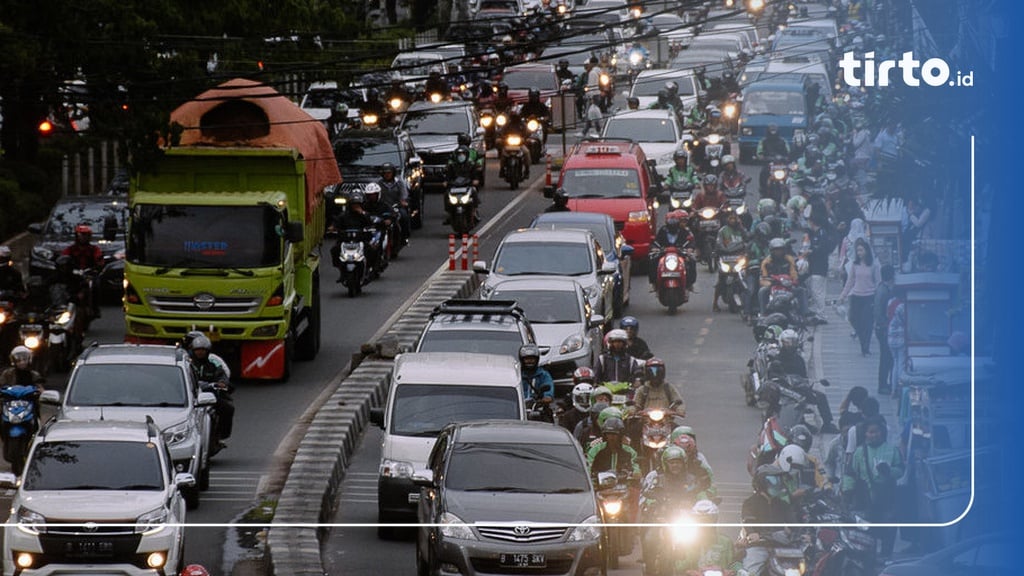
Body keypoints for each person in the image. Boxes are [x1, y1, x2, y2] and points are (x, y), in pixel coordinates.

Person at [842, 416, 904, 559]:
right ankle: (869, 558)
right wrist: (846, 493)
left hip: (888, 498)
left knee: (888, 528)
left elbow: (900, 470)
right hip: (866, 499)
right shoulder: (859, 452)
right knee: (868, 530)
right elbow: (850, 474)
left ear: (882, 433)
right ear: (865, 434)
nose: (874, 435)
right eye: (871, 432)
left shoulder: (892, 450)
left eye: (876, 432)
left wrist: (889, 472)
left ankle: (886, 556)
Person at [775, 329, 839, 433]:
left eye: (793, 342)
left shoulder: (798, 359)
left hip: (799, 388)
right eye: (788, 342)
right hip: (784, 390)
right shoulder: (777, 360)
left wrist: (807, 385)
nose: (791, 345)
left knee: (820, 396)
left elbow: (803, 377)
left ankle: (827, 424)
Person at [188, 335, 234, 447]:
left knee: (228, 408)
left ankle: (221, 436)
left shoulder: (214, 364)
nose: (200, 352)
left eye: (203, 350)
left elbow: (223, 377)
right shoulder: (188, 364)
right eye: (197, 350)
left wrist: (223, 384)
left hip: (210, 396)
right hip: (191, 396)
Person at [839, 238, 880, 356]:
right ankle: (861, 337)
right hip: (856, 295)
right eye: (858, 251)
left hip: (869, 296)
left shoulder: (873, 265)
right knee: (853, 318)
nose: (859, 253)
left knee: (867, 322)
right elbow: (850, 281)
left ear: (867, 251)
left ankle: (865, 347)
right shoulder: (855, 264)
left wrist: (878, 298)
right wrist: (843, 295)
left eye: (861, 250)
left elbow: (878, 282)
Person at [328, 190, 379, 281]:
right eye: (354, 204)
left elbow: (371, 223)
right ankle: (341, 270)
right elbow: (336, 223)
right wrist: (333, 228)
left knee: (372, 251)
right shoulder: (344, 216)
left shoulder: (364, 215)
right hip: (346, 240)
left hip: (361, 240)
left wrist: (363, 215)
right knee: (334, 250)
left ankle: (369, 270)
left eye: (357, 204)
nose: (355, 206)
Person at [758, 238, 810, 318]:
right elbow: (763, 277)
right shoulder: (766, 262)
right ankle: (763, 314)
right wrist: (770, 283)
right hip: (773, 286)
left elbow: (794, 274)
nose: (778, 252)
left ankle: (805, 315)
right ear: (771, 251)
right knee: (762, 291)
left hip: (787, 286)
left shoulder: (789, 260)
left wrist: (794, 281)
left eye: (780, 250)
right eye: (776, 250)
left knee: (802, 290)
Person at [62, 224, 104, 317]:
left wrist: (97, 266)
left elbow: (99, 259)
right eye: (82, 235)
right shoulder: (70, 249)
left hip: (89, 274)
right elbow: (63, 257)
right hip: (73, 274)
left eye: (86, 235)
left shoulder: (94, 249)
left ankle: (95, 308)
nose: (84, 237)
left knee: (96, 285)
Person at [648, 210, 695, 292]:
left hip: (680, 252)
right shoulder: (662, 230)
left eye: (674, 221)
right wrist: (654, 248)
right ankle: (654, 283)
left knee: (691, 261)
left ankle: (690, 284)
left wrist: (689, 248)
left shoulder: (683, 231)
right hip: (664, 253)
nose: (672, 224)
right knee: (652, 261)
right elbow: (656, 241)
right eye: (670, 221)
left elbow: (690, 241)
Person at [713, 210, 747, 312]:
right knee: (720, 280)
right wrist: (718, 252)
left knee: (746, 278)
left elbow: (747, 241)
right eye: (730, 218)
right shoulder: (723, 231)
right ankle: (715, 303)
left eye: (734, 218)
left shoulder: (741, 230)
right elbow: (718, 244)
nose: (733, 220)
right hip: (726, 258)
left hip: (739, 258)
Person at [804, 212, 834, 322]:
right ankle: (818, 312)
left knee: (818, 291)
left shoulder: (821, 234)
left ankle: (821, 315)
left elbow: (822, 249)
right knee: (815, 290)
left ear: (812, 222)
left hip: (819, 267)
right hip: (814, 267)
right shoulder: (815, 234)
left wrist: (811, 252)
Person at [874, 265, 896, 394]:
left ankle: (885, 383)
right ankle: (882, 384)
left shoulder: (884, 289)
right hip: (883, 329)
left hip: (883, 327)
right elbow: (877, 311)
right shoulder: (882, 291)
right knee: (885, 358)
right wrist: (883, 324)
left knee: (886, 357)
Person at [378, 162, 410, 245]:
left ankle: (404, 237)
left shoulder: (399, 182)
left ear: (393, 173)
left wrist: (403, 201)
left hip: (396, 206)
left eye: (389, 173)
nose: (387, 175)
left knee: (404, 216)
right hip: (383, 207)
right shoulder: (379, 184)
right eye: (385, 173)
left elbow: (404, 194)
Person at [519, 344, 554, 415]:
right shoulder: (516, 374)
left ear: (537, 359)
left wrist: (545, 398)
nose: (530, 361)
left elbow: (549, 393)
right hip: (519, 407)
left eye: (532, 359)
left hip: (538, 408)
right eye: (527, 359)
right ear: (522, 360)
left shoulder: (543, 375)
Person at [838, 217, 868, 284]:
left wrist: (840, 266)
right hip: (863, 265)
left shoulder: (846, 239)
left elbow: (842, 255)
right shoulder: (865, 239)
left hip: (849, 266)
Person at [887, 297, 906, 399]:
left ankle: (893, 389)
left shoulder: (891, 302)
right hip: (900, 338)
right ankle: (900, 388)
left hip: (891, 337)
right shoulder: (902, 306)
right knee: (901, 364)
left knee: (895, 363)